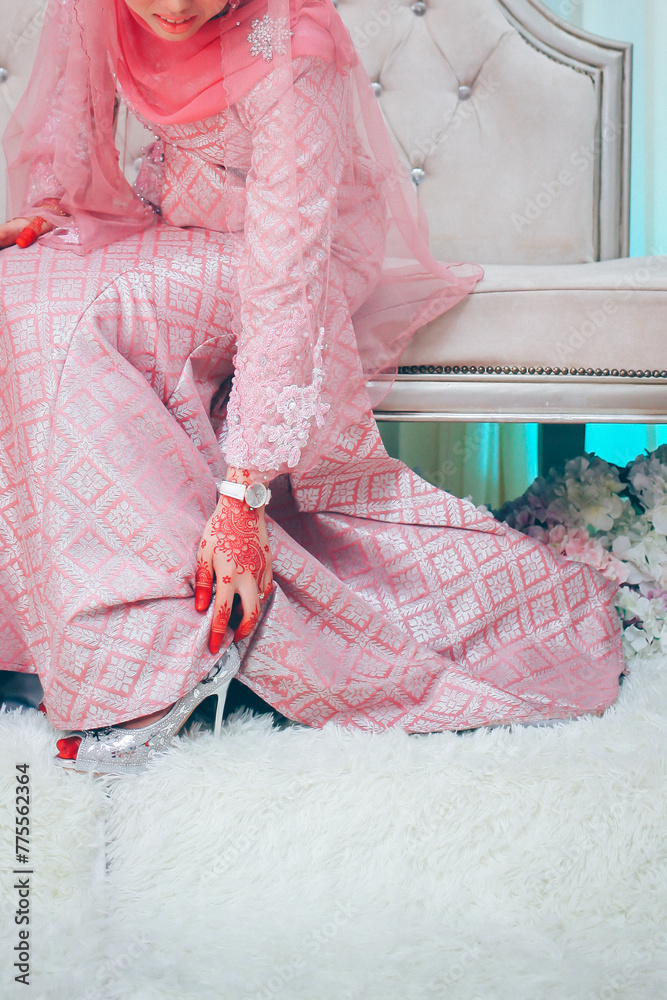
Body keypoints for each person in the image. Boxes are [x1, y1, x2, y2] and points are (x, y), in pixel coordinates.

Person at [0, 0, 624, 773]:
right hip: (168, 230)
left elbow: (286, 275)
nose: (171, 7)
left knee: (83, 314)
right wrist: (55, 207)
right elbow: (72, 105)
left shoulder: (288, 45)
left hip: (275, 265)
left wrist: (243, 495)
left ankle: (154, 657)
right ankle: (50, 634)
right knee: (17, 287)